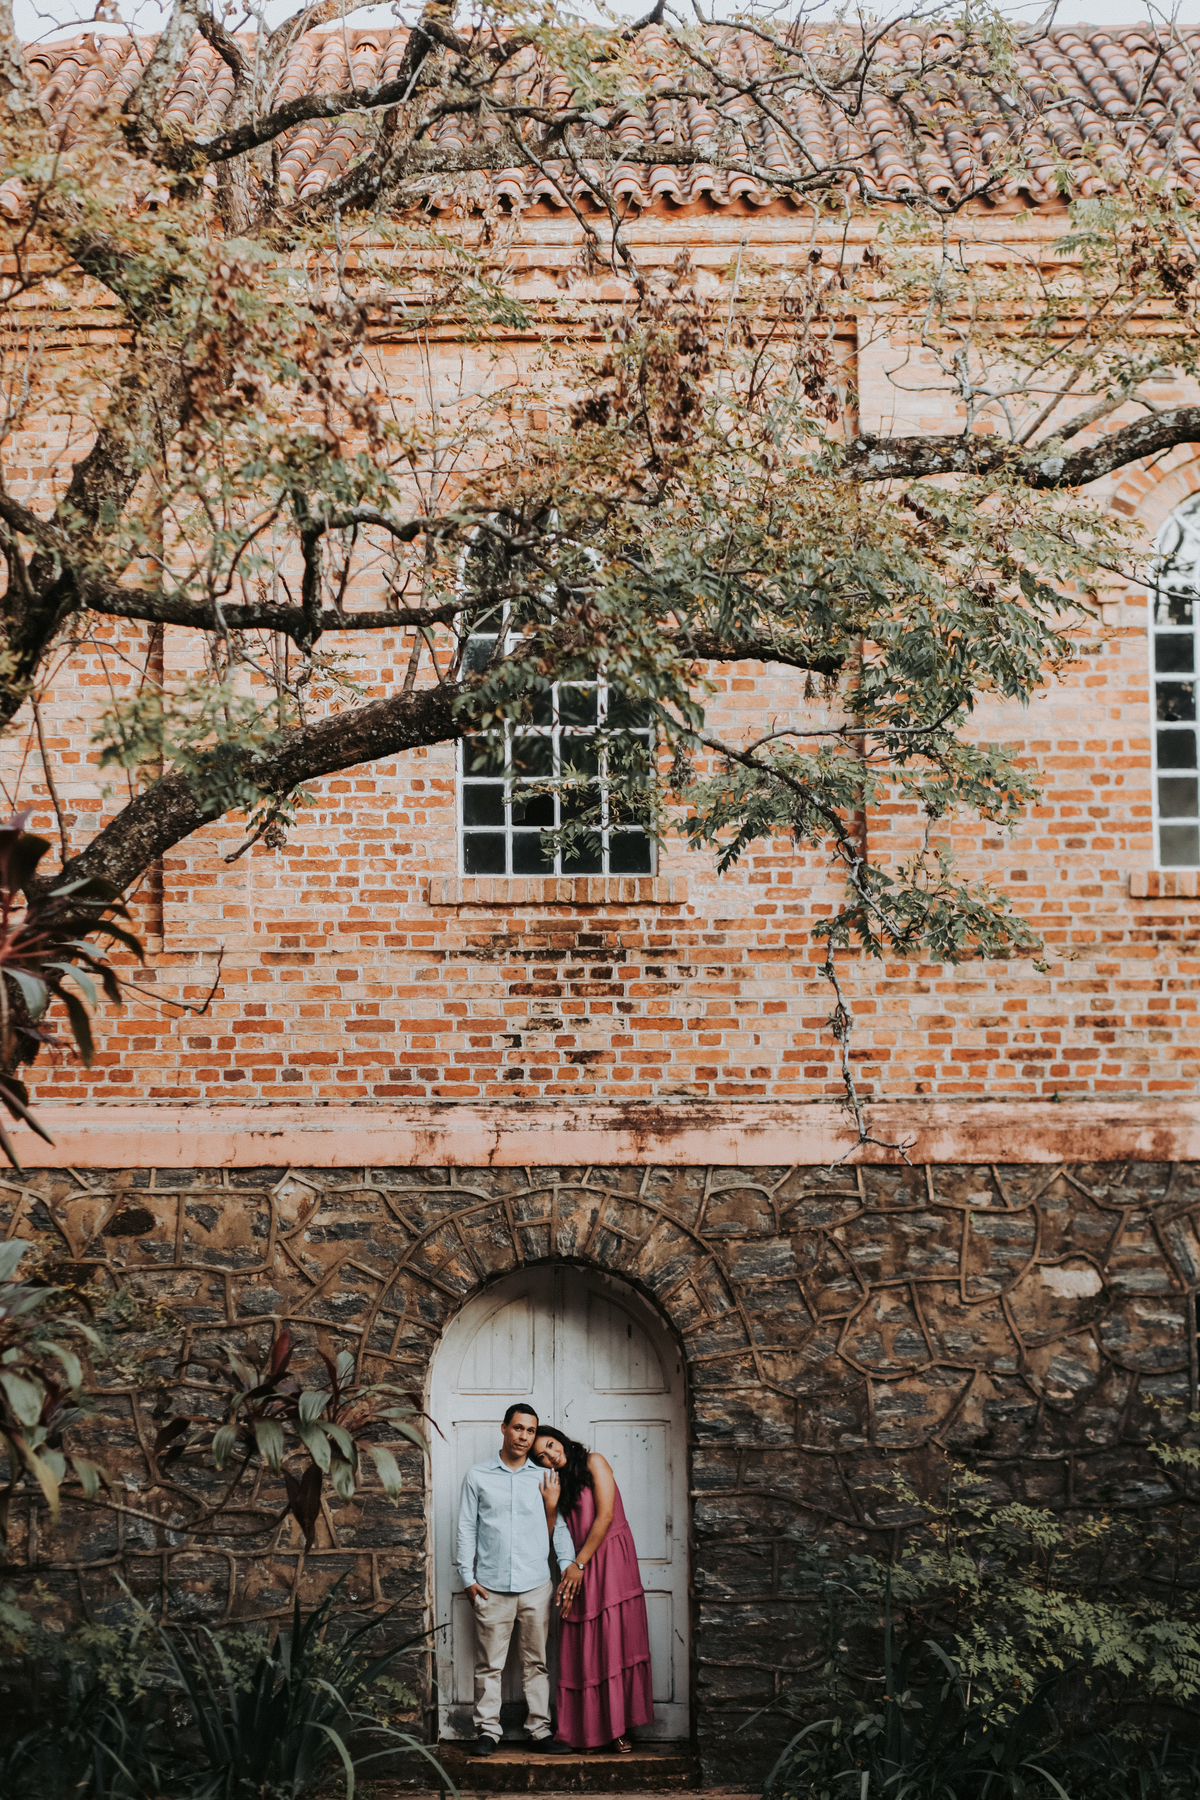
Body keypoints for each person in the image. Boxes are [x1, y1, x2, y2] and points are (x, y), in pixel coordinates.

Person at [455, 1402, 578, 1758]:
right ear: (504, 1428)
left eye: (530, 1431)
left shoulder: (543, 1476)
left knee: (536, 1662)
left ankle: (539, 1730)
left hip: (536, 1584)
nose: (524, 1436)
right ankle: (488, 1732)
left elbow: (560, 1526)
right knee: (489, 1665)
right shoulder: (478, 1476)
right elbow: (466, 1527)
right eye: (518, 1428)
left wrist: (568, 1564)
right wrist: (467, 1576)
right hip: (490, 1586)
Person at [533, 1425, 654, 1754]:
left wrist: (579, 1566)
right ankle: (589, 1731)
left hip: (608, 1559)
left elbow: (605, 1516)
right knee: (586, 1644)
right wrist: (549, 1505)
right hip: (578, 1566)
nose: (551, 1456)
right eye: (542, 1456)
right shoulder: (555, 1484)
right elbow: (551, 1535)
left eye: (551, 1445)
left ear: (561, 1439)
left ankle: (617, 1729)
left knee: (615, 1641)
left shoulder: (594, 1462)